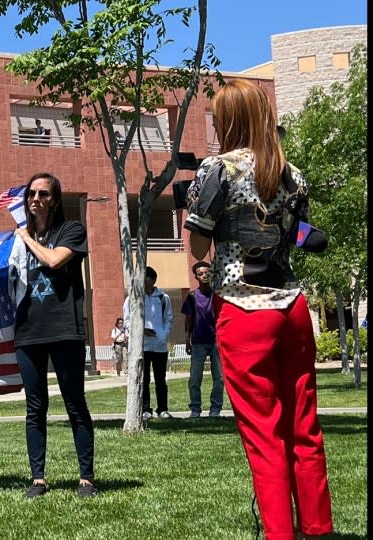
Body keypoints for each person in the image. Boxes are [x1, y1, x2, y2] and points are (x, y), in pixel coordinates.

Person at [184, 78, 332, 539]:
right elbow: (303, 236)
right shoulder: (294, 173)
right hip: (293, 308)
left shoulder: (217, 170)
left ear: (229, 121)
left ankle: (280, 534)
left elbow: (197, 245)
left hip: (246, 311)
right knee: (304, 426)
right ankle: (317, 528)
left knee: (264, 436)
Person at [12, 172, 96, 499]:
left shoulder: (71, 230)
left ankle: (86, 478)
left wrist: (26, 238)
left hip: (64, 330)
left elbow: (54, 260)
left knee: (75, 404)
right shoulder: (17, 238)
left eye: (43, 194)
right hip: (28, 331)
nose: (36, 199)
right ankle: (37, 479)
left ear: (54, 199)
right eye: (32, 193)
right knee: (35, 407)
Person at [123, 266, 173, 420]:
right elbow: (127, 320)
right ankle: (145, 409)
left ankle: (162, 409)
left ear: (152, 280)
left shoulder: (163, 297)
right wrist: (140, 332)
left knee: (160, 379)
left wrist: (162, 335)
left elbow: (168, 318)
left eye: (144, 277)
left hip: (159, 346)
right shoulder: (133, 297)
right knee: (143, 379)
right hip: (141, 346)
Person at [181, 261, 223, 418]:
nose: (204, 275)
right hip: (198, 342)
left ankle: (216, 408)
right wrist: (187, 340)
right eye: (200, 274)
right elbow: (189, 319)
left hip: (216, 342)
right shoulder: (192, 297)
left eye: (207, 273)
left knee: (219, 378)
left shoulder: (218, 295)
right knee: (194, 379)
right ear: (196, 277)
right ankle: (195, 409)